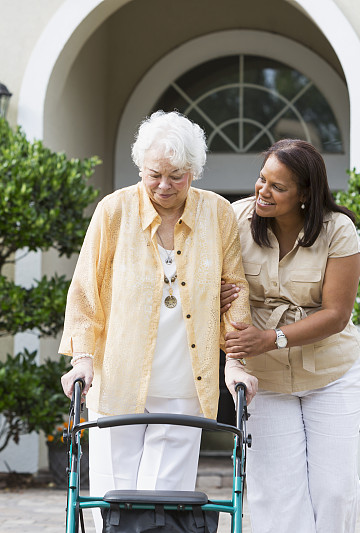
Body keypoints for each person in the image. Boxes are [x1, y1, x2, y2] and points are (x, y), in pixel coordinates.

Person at [58, 111, 258, 522]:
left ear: (195, 171)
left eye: (177, 175)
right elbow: (84, 293)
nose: (164, 186)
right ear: (140, 167)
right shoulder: (113, 212)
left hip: (185, 386)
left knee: (163, 509)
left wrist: (235, 363)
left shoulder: (218, 215)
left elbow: (235, 291)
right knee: (112, 506)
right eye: (154, 175)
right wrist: (82, 360)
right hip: (117, 383)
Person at [221, 139, 360, 533]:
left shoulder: (338, 231)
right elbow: (207, 281)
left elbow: (336, 315)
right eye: (262, 179)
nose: (263, 191)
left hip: (331, 375)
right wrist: (212, 292)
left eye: (278, 187)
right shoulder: (235, 220)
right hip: (263, 379)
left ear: (304, 193)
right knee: (277, 494)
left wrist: (271, 338)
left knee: (334, 491)